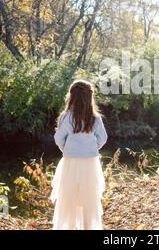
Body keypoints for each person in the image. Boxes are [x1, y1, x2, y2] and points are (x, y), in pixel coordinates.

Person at [50, 79, 108, 230]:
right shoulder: (95, 118)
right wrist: (92, 148)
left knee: (69, 197)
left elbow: (58, 138)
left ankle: (69, 227)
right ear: (90, 97)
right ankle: (89, 227)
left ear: (72, 96)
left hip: (70, 162)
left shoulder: (66, 116)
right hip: (90, 162)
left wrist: (67, 150)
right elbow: (103, 138)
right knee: (89, 197)